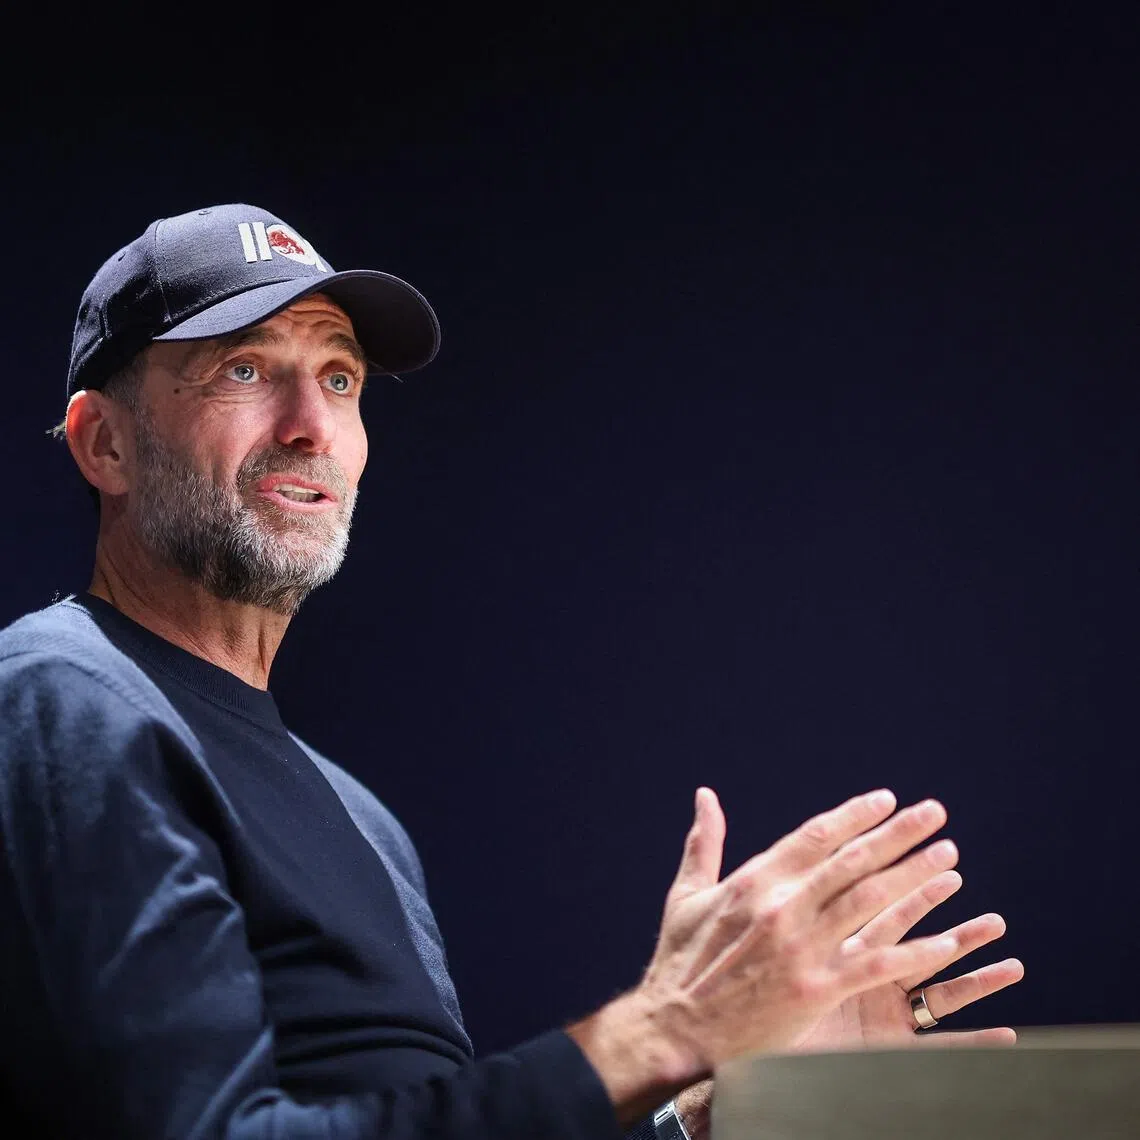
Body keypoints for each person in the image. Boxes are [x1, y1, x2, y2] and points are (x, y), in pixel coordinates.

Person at [0, 204, 1023, 1139]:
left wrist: (710, 1111)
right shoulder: (63, 700)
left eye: (340, 376)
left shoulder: (363, 822)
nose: (312, 424)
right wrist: (661, 1031)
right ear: (106, 445)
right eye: (245, 370)